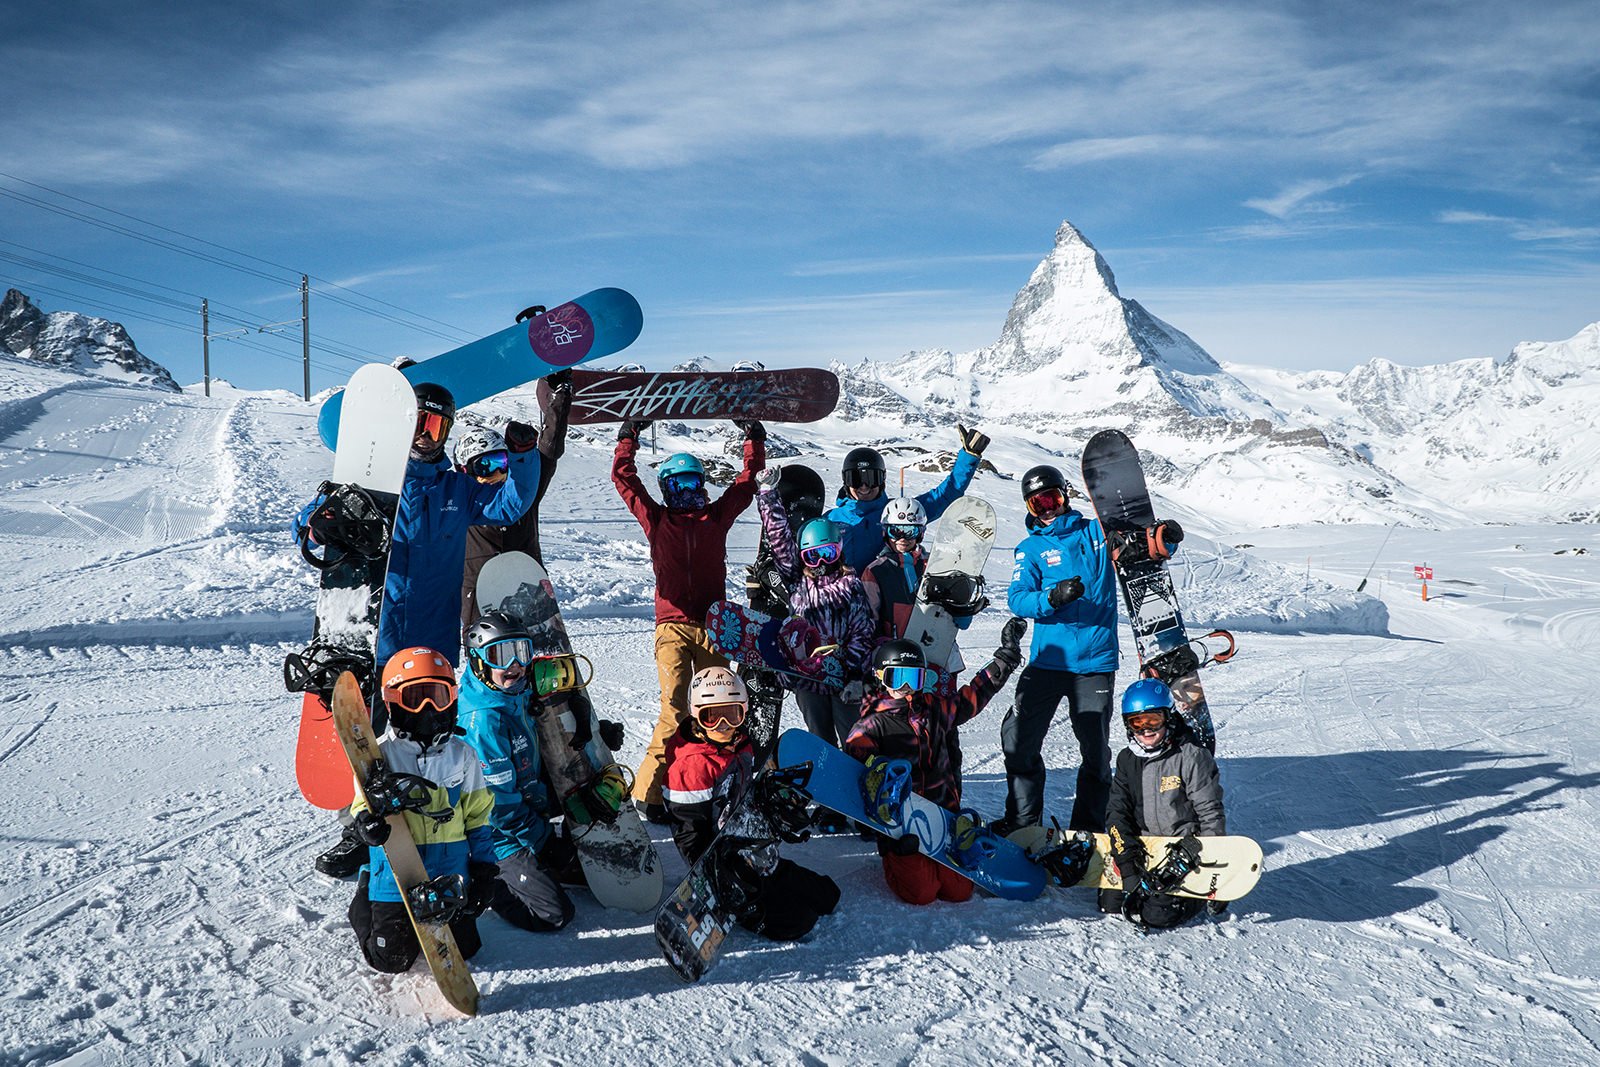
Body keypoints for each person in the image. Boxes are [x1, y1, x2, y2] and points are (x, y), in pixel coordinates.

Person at [298, 380, 542, 876]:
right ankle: (359, 830)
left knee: (427, 739)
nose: (423, 435)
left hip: (432, 641)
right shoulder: (371, 487)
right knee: (367, 737)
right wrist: (316, 523)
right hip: (376, 634)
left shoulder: (457, 489)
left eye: (433, 425)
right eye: (415, 423)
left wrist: (522, 455)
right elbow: (311, 525)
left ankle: (436, 827)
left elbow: (509, 505)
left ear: (446, 431)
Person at [612, 419, 766, 823]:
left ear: (704, 485)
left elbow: (746, 484)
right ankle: (648, 795)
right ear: (666, 489)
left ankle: (713, 785)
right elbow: (625, 480)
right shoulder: (658, 520)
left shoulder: (715, 518)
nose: (688, 493)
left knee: (721, 709)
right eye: (678, 485)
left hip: (715, 626)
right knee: (676, 708)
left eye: (694, 483)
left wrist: (753, 440)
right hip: (673, 626)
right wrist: (628, 438)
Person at [843, 622, 1026, 906]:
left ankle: (952, 847)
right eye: (897, 678)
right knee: (922, 893)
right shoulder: (871, 724)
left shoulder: (933, 709)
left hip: (942, 816)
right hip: (902, 823)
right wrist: (877, 766)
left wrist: (1004, 660)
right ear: (880, 677)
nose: (905, 687)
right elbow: (856, 754)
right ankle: (895, 859)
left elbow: (972, 697)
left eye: (913, 678)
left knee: (958, 892)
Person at [347, 646, 499, 974]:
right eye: (414, 698)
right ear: (393, 701)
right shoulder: (378, 755)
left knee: (466, 949)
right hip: (396, 871)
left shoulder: (462, 755)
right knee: (391, 960)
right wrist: (366, 823)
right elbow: (360, 804)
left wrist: (484, 869)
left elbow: (478, 816)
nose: (427, 708)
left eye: (437, 696)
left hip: (449, 870)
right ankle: (364, 891)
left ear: (452, 700)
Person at [661, 667, 840, 941]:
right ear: (696, 714)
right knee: (799, 921)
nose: (723, 724)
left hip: (749, 846)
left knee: (828, 896)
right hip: (724, 862)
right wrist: (714, 874)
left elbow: (745, 795)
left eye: (732, 714)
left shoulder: (740, 743)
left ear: (744, 711)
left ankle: (767, 878)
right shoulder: (691, 765)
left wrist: (774, 806)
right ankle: (750, 910)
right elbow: (689, 833)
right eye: (711, 717)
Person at [997, 464, 1120, 836]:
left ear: (1065, 496)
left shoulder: (1096, 534)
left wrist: (1166, 540)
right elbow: (1017, 599)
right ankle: (1023, 823)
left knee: (1096, 753)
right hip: (1049, 661)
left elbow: (1143, 546)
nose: (1047, 508)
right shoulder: (1030, 548)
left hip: (1095, 663)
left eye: (1052, 498)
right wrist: (1051, 598)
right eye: (1038, 503)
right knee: (1019, 738)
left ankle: (1088, 830)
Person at [455, 611, 579, 934]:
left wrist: (594, 733)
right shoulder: (484, 721)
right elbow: (499, 808)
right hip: (495, 834)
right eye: (500, 655)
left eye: (521, 651)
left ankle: (560, 859)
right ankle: (494, 883)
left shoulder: (512, 691)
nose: (514, 665)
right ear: (479, 662)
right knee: (554, 914)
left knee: (581, 779)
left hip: (526, 794)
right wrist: (544, 842)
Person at [753, 490, 876, 751]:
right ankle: (825, 773)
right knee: (820, 738)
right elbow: (780, 542)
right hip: (807, 677)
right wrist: (768, 496)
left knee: (853, 738)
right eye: (812, 556)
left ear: (839, 551)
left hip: (843, 678)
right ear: (802, 557)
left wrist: (855, 676)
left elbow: (862, 632)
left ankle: (858, 771)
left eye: (827, 554)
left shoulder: (850, 585)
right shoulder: (797, 580)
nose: (820, 562)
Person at [1101, 677, 1227, 929]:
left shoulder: (1191, 755)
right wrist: (1127, 862)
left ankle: (1196, 900)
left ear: (1168, 717)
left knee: (1157, 913)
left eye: (1153, 720)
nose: (1146, 730)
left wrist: (1207, 858)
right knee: (1111, 902)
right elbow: (1117, 811)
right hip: (1146, 847)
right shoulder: (1128, 759)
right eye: (1137, 723)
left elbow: (1210, 812)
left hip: (1184, 851)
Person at [458, 369, 574, 629]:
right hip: (479, 598)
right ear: (465, 471)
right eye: (484, 466)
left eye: (501, 463)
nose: (496, 473)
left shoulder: (524, 492)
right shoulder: (459, 501)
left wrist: (559, 396)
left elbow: (549, 449)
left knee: (536, 652)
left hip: (527, 589)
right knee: (487, 655)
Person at [826, 424, 988, 576]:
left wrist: (968, 458)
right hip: (843, 594)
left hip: (889, 594)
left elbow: (944, 496)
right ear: (845, 481)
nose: (864, 486)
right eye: (855, 479)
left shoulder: (898, 513)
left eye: (871, 478)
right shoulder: (830, 519)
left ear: (882, 479)